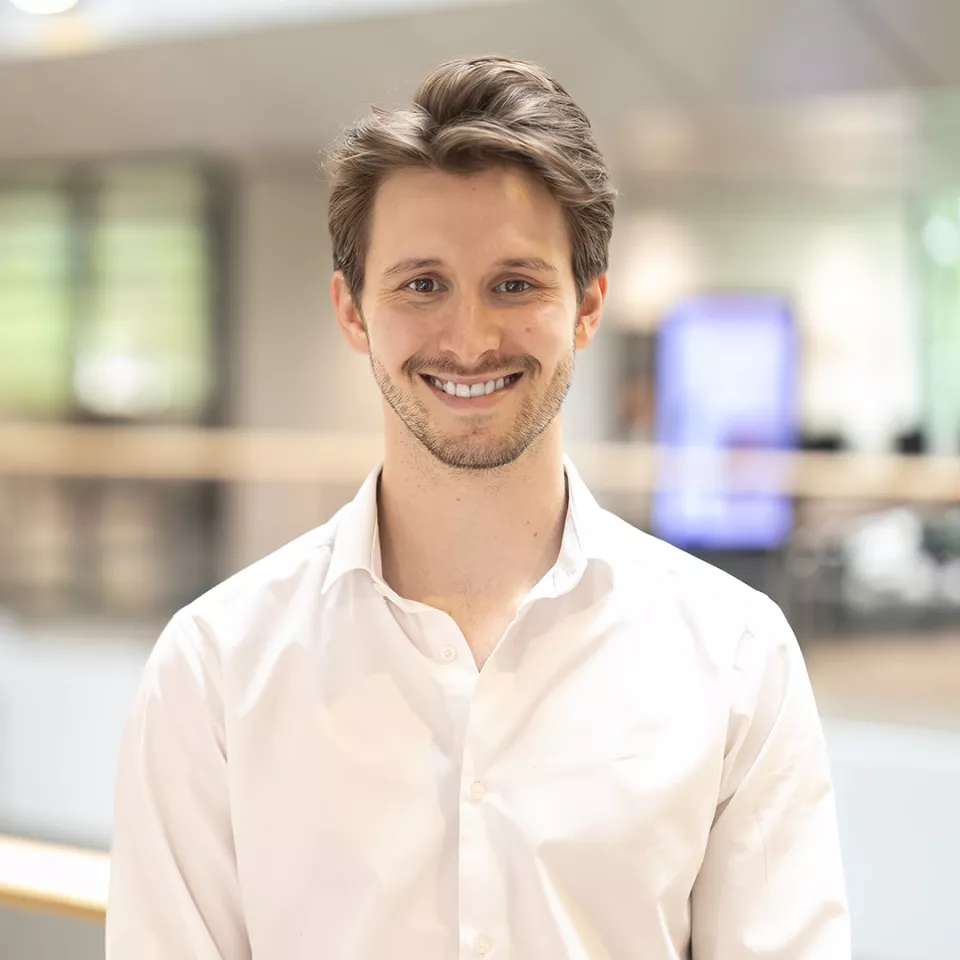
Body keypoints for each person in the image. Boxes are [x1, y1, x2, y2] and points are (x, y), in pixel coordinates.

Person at [106, 57, 850, 959]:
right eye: (423, 284)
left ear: (587, 307)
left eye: (515, 283)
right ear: (352, 311)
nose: (469, 340)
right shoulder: (215, 671)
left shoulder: (736, 657)